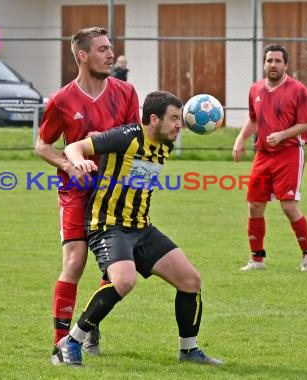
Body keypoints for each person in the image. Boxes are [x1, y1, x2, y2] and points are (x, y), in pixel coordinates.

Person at [52, 91, 223, 367]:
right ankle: (70, 343)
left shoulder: (164, 142)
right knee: (124, 280)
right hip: (108, 226)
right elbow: (74, 146)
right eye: (174, 119)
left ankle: (189, 351)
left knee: (191, 281)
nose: (179, 125)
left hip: (142, 228)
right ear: (153, 119)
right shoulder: (127, 136)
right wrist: (79, 160)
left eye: (181, 119)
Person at [34, 27, 140, 361]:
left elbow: (137, 137)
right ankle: (61, 343)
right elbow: (42, 145)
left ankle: (88, 325)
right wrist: (68, 165)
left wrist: (106, 140)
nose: (111, 55)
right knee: (75, 260)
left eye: (111, 49)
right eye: (102, 50)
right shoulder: (62, 100)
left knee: (111, 270)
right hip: (76, 191)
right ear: (82, 55)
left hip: (114, 191)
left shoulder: (125, 92)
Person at [232, 44, 307, 272]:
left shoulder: (298, 90)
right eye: (269, 60)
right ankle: (257, 259)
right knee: (254, 206)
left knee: (289, 206)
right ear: (264, 63)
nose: (273, 65)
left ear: (285, 65)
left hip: (289, 154)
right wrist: (240, 139)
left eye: (278, 61)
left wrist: (282, 135)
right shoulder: (256, 89)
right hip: (263, 155)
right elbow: (253, 119)